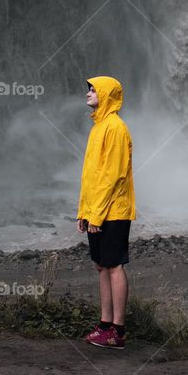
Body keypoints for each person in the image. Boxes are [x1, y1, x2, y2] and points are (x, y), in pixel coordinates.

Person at [76, 75, 136, 349]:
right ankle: (104, 325)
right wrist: (84, 212)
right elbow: (91, 176)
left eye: (94, 89)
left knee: (114, 267)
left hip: (113, 211)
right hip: (98, 210)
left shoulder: (115, 128)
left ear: (107, 94)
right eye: (88, 88)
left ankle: (118, 332)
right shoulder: (98, 127)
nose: (89, 92)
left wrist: (96, 215)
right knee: (101, 266)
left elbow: (111, 177)